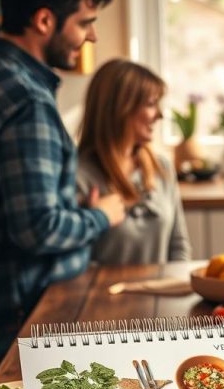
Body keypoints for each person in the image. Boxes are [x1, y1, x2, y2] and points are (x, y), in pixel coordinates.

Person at [0, 0, 125, 384]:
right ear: (44, 21)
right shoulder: (26, 100)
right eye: (85, 22)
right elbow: (36, 229)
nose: (91, 37)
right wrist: (101, 215)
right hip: (21, 316)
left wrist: (71, 208)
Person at [77, 59, 192, 265]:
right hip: (107, 296)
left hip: (162, 296)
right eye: (150, 104)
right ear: (120, 109)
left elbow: (179, 246)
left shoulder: (162, 167)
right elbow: (78, 262)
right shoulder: (79, 176)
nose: (160, 115)